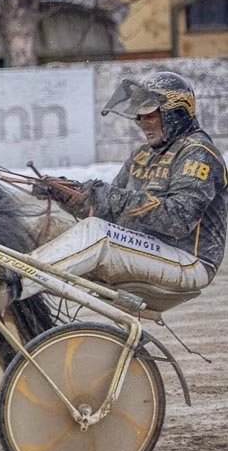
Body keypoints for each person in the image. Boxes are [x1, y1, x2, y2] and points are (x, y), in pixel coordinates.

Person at [26, 71, 224, 294]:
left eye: (149, 115)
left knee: (96, 232)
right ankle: (12, 284)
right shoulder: (142, 155)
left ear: (175, 112)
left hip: (189, 260)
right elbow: (110, 211)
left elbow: (178, 220)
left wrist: (108, 196)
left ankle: (20, 283)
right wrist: (69, 194)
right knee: (46, 226)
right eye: (139, 116)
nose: (141, 123)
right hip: (148, 248)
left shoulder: (198, 153)